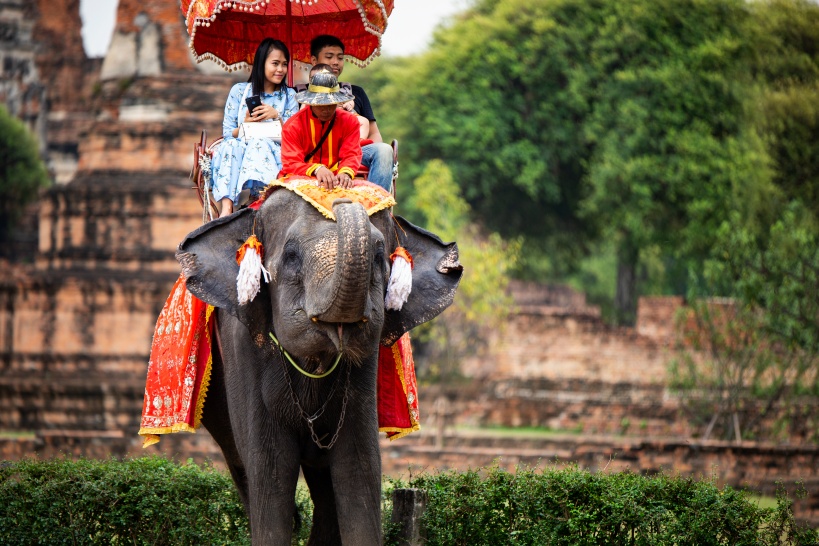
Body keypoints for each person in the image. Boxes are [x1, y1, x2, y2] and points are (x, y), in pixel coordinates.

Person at [211, 38, 299, 217]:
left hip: (274, 151)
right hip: (241, 148)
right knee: (230, 146)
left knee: (260, 143)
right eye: (275, 63)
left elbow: (295, 135)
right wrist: (246, 124)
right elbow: (228, 134)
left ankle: (259, 197)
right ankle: (226, 208)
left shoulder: (289, 95)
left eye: (284, 64)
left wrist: (277, 115)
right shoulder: (239, 91)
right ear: (261, 63)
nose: (281, 69)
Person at [310, 34, 393, 191]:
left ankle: (376, 207)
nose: (335, 62)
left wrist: (354, 148)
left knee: (384, 150)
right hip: (316, 151)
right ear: (314, 61)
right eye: (329, 57)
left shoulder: (357, 92)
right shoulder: (302, 94)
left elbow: (375, 134)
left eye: (340, 58)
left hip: (354, 149)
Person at [280, 70, 362, 190]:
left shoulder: (350, 121)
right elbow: (291, 163)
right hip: (301, 178)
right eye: (321, 104)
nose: (326, 110)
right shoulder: (292, 125)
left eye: (331, 104)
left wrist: (346, 173)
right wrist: (317, 169)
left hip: (337, 178)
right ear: (311, 102)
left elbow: (352, 154)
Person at [303, 63, 370, 140]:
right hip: (321, 120)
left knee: (364, 121)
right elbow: (302, 111)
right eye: (313, 78)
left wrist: (349, 104)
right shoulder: (307, 96)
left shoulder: (340, 90)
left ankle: (359, 142)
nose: (318, 81)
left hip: (344, 115)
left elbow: (350, 100)